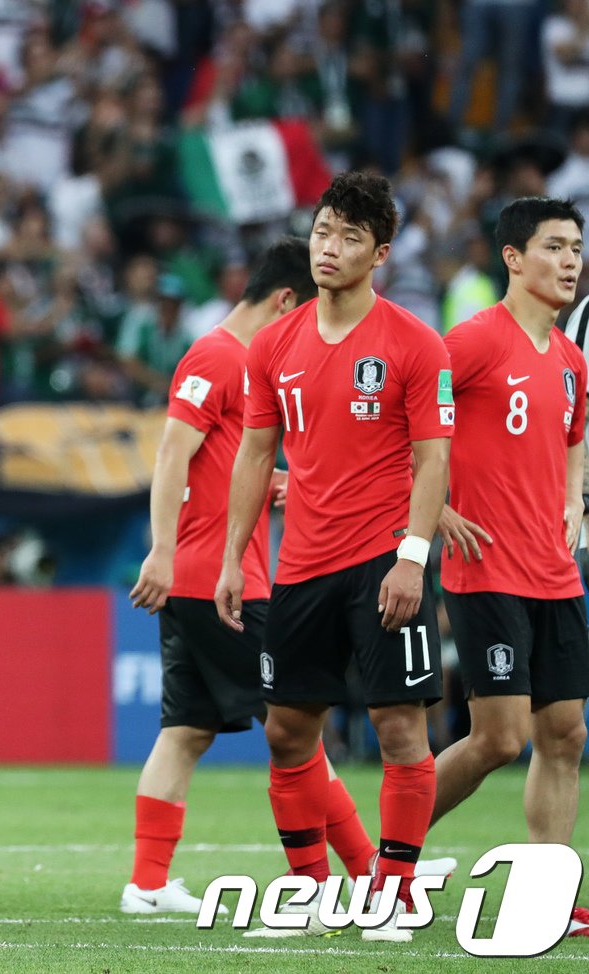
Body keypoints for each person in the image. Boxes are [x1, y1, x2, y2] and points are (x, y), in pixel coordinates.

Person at [124, 238, 454, 915]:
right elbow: (171, 453)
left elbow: (226, 460)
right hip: (219, 577)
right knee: (296, 730)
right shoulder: (223, 356)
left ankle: (147, 884)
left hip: (198, 575)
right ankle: (364, 872)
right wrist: (161, 549)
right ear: (284, 301)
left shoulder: (222, 355)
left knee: (186, 729)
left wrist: (289, 480)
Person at [216, 171, 453, 942]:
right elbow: (256, 454)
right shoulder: (273, 344)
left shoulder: (415, 342)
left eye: (351, 237)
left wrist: (413, 557)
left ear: (379, 254)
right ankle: (310, 894)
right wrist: (233, 558)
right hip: (302, 566)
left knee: (399, 730)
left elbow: (433, 460)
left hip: (385, 559)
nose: (330, 247)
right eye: (323, 231)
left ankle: (395, 894)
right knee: (287, 733)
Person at [432, 197, 589, 934]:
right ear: (513, 257)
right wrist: (434, 511)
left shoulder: (570, 359)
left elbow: (576, 435)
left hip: (554, 572)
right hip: (485, 567)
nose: (570, 261)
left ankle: (544, 897)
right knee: (499, 738)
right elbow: (402, 423)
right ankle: (381, 860)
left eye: (576, 248)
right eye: (554, 246)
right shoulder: (472, 341)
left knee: (566, 734)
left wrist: (573, 502)